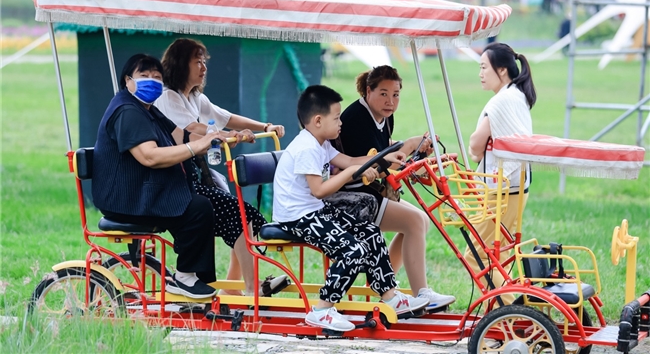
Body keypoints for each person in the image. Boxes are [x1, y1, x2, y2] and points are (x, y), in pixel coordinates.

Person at [273, 85, 429, 331]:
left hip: (314, 211)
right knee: (352, 250)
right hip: (297, 217)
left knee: (370, 232)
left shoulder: (321, 143)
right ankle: (323, 310)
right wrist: (348, 173)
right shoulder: (306, 148)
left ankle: (390, 297)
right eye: (336, 118)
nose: (341, 123)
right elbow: (320, 190)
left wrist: (383, 158)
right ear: (317, 120)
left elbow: (349, 161)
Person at [155, 38, 288, 297]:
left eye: (204, 61)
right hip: (176, 180)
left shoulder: (194, 96)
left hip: (194, 175)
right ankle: (249, 289)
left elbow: (226, 116)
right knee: (239, 214)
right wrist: (228, 135)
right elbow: (195, 129)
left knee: (242, 216)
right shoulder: (168, 97)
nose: (203, 67)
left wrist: (265, 127)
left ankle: (238, 287)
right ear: (181, 64)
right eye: (197, 61)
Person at [93, 54, 224, 299]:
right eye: (144, 76)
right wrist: (197, 146)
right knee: (197, 208)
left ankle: (194, 279)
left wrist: (219, 138)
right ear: (128, 80)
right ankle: (185, 277)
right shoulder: (127, 112)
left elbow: (181, 136)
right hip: (126, 198)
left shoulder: (147, 109)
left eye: (157, 77)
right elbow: (149, 156)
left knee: (202, 204)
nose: (151, 82)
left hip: (142, 189)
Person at [333, 65, 455, 309]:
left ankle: (385, 284)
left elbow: (384, 148)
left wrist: (415, 151)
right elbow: (375, 164)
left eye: (396, 94)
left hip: (367, 190)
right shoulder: (357, 118)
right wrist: (409, 147)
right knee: (414, 222)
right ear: (369, 91)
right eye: (384, 93)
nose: (390, 101)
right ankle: (420, 293)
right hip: (349, 195)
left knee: (420, 220)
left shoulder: (382, 116)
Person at [466, 42, 535, 306]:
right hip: (516, 189)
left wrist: (477, 149)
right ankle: (499, 311)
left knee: (476, 255)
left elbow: (475, 143)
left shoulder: (502, 101)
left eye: (484, 67)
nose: (481, 73)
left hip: (502, 190)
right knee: (493, 255)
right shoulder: (516, 95)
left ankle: (508, 309)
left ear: (502, 70)